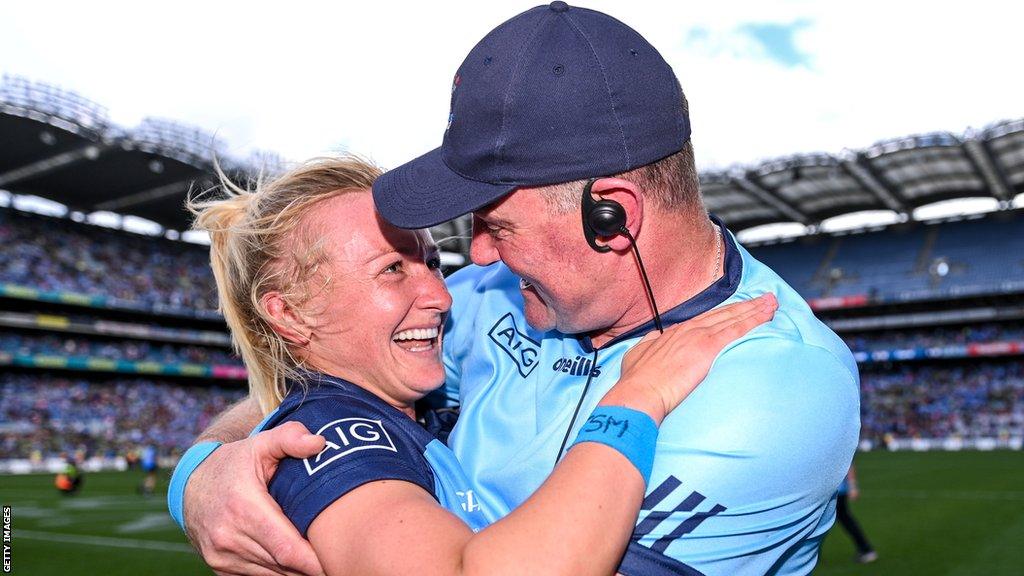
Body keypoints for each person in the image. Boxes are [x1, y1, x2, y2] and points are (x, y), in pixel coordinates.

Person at [171, 4, 861, 575]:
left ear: (611, 215)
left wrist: (631, 403)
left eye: (496, 226)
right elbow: (329, 376)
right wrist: (208, 470)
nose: (468, 262)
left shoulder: (772, 389)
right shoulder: (490, 291)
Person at [175, 154, 775, 575]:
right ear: (289, 314)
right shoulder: (331, 441)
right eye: (392, 270)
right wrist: (637, 398)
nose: (440, 295)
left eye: (431, 263)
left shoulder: (392, 401)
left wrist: (200, 467)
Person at [835, 464, 878, 564]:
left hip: (835, 491)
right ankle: (866, 549)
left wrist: (853, 486)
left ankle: (866, 549)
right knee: (841, 519)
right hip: (833, 490)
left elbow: (849, 464)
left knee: (843, 520)